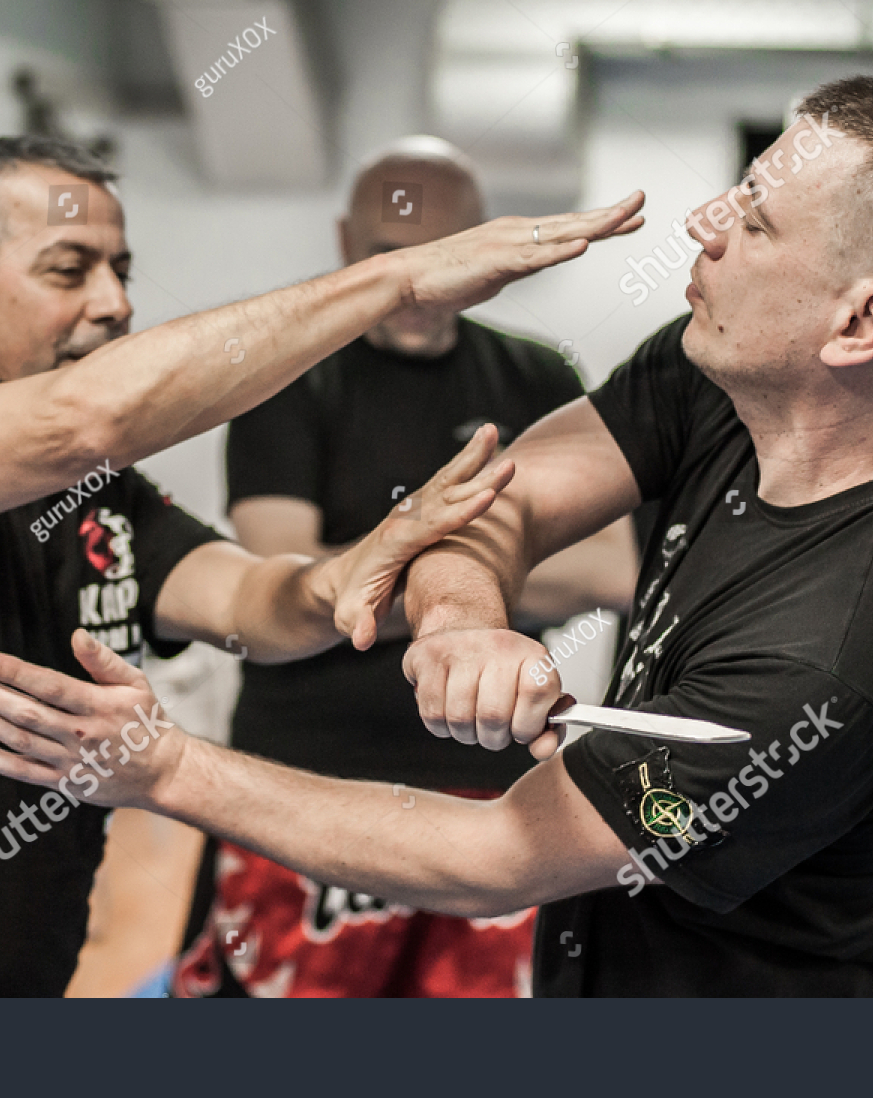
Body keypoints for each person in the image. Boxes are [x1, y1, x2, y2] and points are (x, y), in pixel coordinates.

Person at [0, 76, 873, 996]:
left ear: (861, 324)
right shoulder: (721, 373)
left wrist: (165, 765)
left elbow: (496, 855)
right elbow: (499, 506)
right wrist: (464, 621)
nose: (706, 224)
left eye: (755, 220)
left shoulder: (838, 654)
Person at [0, 135, 644, 996]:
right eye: (69, 270)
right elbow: (87, 416)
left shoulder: (98, 495)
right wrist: (397, 279)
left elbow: (252, 598)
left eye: (121, 269)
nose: (115, 303)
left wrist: (358, 572)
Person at [173, 138, 636, 998]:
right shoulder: (293, 376)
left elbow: (610, 570)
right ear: (346, 241)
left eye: (442, 255)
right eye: (391, 255)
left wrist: (379, 570)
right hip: (305, 771)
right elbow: (279, 585)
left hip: (490, 781)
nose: (419, 284)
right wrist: (473, 589)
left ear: (483, 248)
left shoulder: (537, 375)